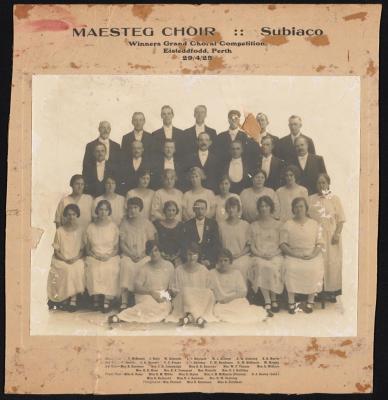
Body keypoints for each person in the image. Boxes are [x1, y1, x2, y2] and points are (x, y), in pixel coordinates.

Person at [108, 241, 174, 324]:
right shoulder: (145, 268)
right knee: (148, 305)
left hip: (162, 295)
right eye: (150, 252)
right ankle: (121, 317)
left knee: (164, 307)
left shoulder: (169, 266)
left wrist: (163, 296)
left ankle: (132, 317)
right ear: (148, 254)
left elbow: (171, 288)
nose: (153, 254)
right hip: (146, 295)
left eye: (156, 250)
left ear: (160, 251)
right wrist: (151, 292)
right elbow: (137, 287)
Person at [280, 197, 324, 314]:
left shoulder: (314, 224)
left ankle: (310, 301)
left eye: (301, 206)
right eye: (296, 207)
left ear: (306, 208)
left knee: (314, 269)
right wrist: (294, 254)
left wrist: (313, 255)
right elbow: (283, 244)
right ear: (293, 209)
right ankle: (291, 302)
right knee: (290, 268)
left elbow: (320, 243)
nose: (299, 209)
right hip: (293, 255)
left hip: (311, 255)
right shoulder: (288, 224)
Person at [308, 174, 346, 302]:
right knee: (318, 262)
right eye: (319, 183)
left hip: (331, 236)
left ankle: (332, 291)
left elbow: (341, 220)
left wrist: (337, 234)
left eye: (324, 183)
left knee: (332, 263)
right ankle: (319, 291)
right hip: (315, 236)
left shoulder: (334, 199)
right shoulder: (310, 199)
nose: (321, 185)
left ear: (328, 184)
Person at [119, 197, 157, 310]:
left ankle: (140, 299)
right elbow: (122, 244)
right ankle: (124, 300)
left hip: (143, 255)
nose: (133, 210)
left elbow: (151, 242)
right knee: (126, 265)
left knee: (144, 265)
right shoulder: (124, 223)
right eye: (130, 208)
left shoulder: (146, 223)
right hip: (128, 255)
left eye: (135, 208)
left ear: (140, 209)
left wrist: (143, 254)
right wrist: (130, 255)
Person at [166, 243, 216, 327]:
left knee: (209, 293)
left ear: (198, 255)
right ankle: (197, 318)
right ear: (185, 255)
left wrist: (196, 294)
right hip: (183, 302)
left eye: (194, 254)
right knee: (186, 291)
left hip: (200, 301)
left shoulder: (203, 270)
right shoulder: (179, 270)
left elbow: (209, 288)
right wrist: (188, 293)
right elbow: (173, 289)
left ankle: (189, 317)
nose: (192, 257)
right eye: (189, 254)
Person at [209, 249, 266, 323]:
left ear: (230, 261)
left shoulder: (236, 273)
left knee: (242, 308)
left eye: (225, 260)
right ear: (217, 262)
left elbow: (243, 293)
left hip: (234, 300)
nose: (223, 263)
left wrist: (229, 298)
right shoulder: (212, 273)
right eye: (220, 261)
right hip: (221, 303)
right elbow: (209, 290)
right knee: (217, 310)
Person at [47, 204, 86, 312]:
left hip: (76, 258)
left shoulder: (81, 230)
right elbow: (56, 250)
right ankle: (63, 298)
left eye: (73, 214)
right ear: (65, 216)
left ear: (77, 215)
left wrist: (75, 258)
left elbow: (82, 250)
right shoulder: (60, 231)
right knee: (64, 269)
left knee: (77, 268)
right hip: (62, 258)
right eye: (68, 214)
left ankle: (73, 299)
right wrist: (64, 259)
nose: (71, 217)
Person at [249, 196, 284, 313]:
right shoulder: (254, 225)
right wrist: (260, 254)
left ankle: (274, 298)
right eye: (261, 206)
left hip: (275, 255)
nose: (264, 208)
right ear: (259, 209)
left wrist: (274, 253)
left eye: (266, 206)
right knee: (261, 265)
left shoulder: (278, 225)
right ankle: (267, 299)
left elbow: (282, 245)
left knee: (273, 266)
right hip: (259, 255)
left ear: (271, 207)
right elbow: (252, 246)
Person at [84, 200, 120, 313]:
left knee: (110, 268)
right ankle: (96, 298)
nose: (103, 212)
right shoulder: (91, 227)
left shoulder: (113, 227)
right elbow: (88, 248)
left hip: (110, 256)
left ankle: (106, 300)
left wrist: (108, 256)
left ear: (109, 211)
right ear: (97, 211)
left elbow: (116, 248)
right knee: (94, 268)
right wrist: (95, 255)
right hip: (94, 256)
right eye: (101, 209)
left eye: (105, 210)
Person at [218, 197, 251, 283]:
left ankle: (242, 293)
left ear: (238, 209)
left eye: (233, 207)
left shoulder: (245, 225)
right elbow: (219, 244)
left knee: (241, 266)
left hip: (241, 256)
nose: (231, 210)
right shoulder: (221, 226)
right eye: (229, 208)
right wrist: (226, 256)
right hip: (226, 257)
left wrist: (239, 254)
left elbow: (248, 245)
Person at [182, 199, 220, 269]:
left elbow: (216, 244)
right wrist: (198, 261)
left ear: (206, 210)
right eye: (197, 209)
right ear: (193, 209)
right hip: (193, 261)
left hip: (209, 261)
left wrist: (209, 260)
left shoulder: (213, 224)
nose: (200, 211)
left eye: (202, 209)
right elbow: (185, 245)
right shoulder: (187, 225)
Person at [153, 200, 184, 266]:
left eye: (173, 210)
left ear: (176, 212)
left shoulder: (181, 225)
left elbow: (183, 244)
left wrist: (176, 257)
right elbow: (155, 242)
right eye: (169, 210)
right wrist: (161, 254)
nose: (171, 213)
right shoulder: (157, 225)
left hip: (177, 257)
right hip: (161, 256)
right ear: (164, 211)